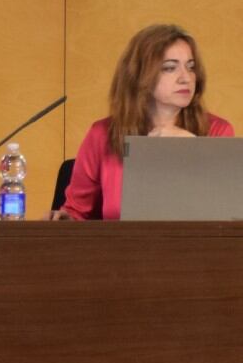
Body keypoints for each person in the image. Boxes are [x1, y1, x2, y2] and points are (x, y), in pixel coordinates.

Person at [56, 23, 233, 220]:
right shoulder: (103, 134)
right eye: (170, 68)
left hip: (194, 249)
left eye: (191, 67)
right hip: (121, 247)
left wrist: (192, 147)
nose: (186, 78)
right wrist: (62, 219)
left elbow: (226, 214)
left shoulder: (217, 131)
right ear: (139, 76)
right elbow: (76, 212)